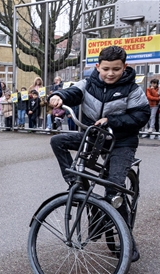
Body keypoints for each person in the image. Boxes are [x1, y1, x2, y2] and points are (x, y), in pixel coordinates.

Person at [49, 45, 149, 262]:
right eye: (105, 69)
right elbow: (73, 93)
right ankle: (77, 183)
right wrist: (58, 96)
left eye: (115, 69)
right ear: (98, 67)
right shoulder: (88, 83)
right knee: (58, 141)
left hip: (121, 142)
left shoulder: (132, 89)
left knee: (114, 192)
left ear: (124, 67)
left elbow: (141, 115)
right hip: (94, 137)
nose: (110, 73)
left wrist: (111, 121)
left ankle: (127, 242)